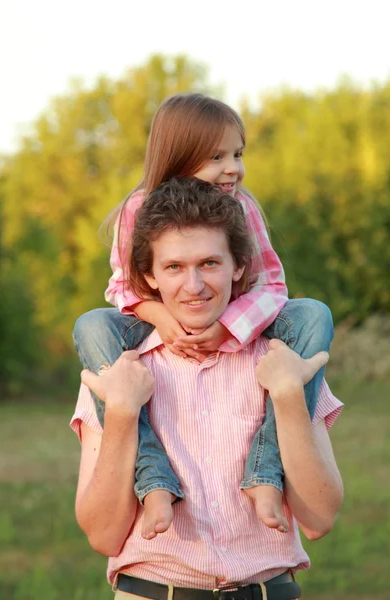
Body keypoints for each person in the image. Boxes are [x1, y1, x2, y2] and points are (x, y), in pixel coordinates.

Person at [72, 93, 334, 540]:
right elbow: (120, 286)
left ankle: (266, 470)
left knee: (313, 314)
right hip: (153, 319)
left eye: (237, 153)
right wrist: (158, 316)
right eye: (217, 157)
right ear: (180, 156)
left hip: (241, 317)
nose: (233, 167)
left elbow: (272, 285)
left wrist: (229, 328)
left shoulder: (243, 206)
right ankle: (153, 479)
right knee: (92, 325)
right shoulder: (138, 208)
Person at [71, 177, 343, 600]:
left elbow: (319, 519)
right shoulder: (120, 369)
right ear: (150, 276)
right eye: (174, 267)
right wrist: (123, 413)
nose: (194, 286)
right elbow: (104, 536)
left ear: (238, 266)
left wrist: (288, 396)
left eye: (209, 264)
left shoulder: (284, 359)